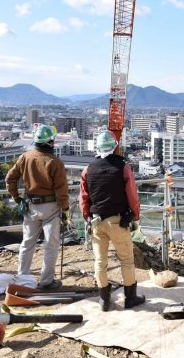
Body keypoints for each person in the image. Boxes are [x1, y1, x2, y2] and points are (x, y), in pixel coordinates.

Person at [79, 130, 145, 311]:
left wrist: (87, 217)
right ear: (115, 146)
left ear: (97, 147)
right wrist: (135, 216)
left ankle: (104, 300)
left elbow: (83, 198)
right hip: (117, 221)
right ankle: (130, 298)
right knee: (126, 259)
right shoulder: (123, 167)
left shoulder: (88, 169)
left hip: (96, 222)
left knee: (100, 262)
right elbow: (132, 195)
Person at [5, 124, 69, 291]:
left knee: (27, 243)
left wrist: (16, 197)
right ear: (49, 142)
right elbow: (61, 191)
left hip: (30, 206)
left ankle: (22, 277)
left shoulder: (25, 157)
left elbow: (10, 179)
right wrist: (66, 210)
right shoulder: (55, 162)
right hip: (51, 207)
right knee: (51, 245)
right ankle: (46, 281)